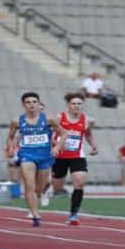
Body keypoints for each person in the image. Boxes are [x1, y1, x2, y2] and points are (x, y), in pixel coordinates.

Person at [6, 92, 67, 227]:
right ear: (23, 105)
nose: (31, 104)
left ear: (39, 104)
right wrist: (10, 148)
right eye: (28, 102)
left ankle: (39, 195)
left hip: (45, 157)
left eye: (34, 101)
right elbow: (10, 137)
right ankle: (35, 214)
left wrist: (57, 147)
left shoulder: (49, 119)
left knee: (39, 188)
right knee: (29, 184)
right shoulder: (17, 121)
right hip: (27, 155)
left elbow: (64, 133)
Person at [51, 92, 98, 226]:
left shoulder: (88, 120)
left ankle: (73, 215)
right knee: (57, 186)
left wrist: (93, 146)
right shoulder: (59, 118)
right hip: (59, 156)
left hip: (77, 156)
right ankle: (49, 190)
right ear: (68, 105)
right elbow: (50, 135)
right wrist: (55, 145)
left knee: (80, 181)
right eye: (74, 104)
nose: (77, 106)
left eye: (79, 104)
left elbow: (88, 134)